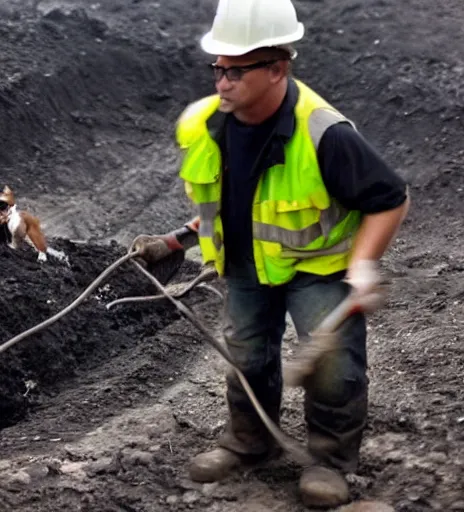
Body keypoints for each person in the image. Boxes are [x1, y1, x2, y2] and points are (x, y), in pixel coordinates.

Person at [130, 0, 410, 507]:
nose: (222, 82)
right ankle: (249, 442)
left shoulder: (326, 134)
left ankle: (330, 461)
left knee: (334, 368)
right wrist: (174, 241)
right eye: (218, 68)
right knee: (246, 357)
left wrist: (365, 263)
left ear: (277, 67)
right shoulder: (206, 124)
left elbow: (391, 199)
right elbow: (230, 202)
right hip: (244, 266)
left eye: (235, 71)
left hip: (317, 269)